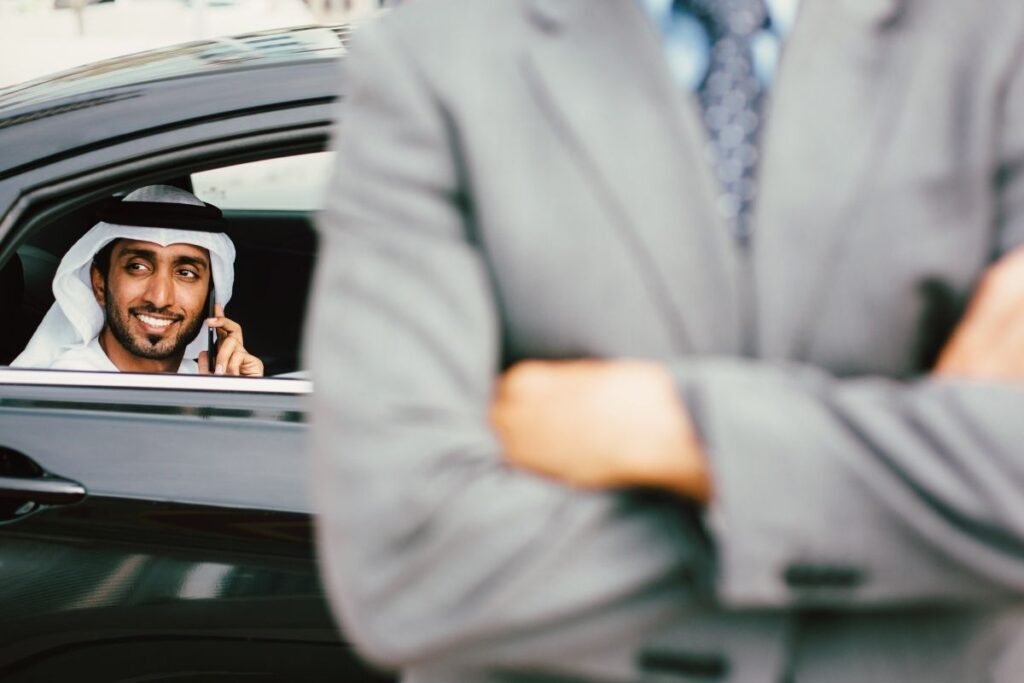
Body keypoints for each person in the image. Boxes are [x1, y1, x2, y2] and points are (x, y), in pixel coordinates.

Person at [309, 1, 1024, 681]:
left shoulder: (998, 43)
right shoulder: (429, 58)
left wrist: (677, 427)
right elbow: (402, 561)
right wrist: (925, 504)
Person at [13, 185, 263, 376]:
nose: (159, 297)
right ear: (100, 284)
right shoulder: (67, 387)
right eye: (138, 267)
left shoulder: (202, 380)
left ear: (210, 295)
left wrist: (242, 400)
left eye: (186, 272)